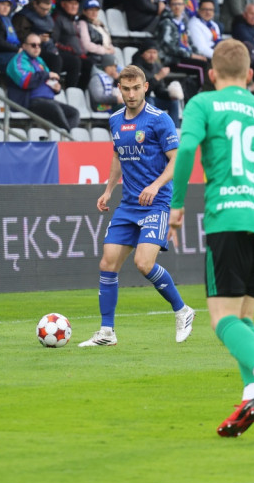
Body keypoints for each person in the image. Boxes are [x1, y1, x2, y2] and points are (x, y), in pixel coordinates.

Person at [168, 39, 254, 437]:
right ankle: (253, 395)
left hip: (228, 218)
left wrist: (176, 205)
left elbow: (186, 151)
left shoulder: (203, 103)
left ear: (212, 75)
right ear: (250, 76)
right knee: (244, 317)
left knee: (222, 319)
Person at [76, 63, 195, 348]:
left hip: (156, 203)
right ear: (119, 89)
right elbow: (118, 157)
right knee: (107, 264)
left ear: (145, 88)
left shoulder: (159, 119)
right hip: (128, 204)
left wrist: (155, 186)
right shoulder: (116, 119)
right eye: (125, 89)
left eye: (135, 88)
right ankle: (107, 332)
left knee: (144, 263)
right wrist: (108, 190)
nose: (131, 94)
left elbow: (176, 160)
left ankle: (183, 310)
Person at [5, 32, 79, 132]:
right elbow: (25, 82)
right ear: (24, 46)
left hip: (48, 100)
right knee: (54, 109)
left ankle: (64, 138)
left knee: (74, 113)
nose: (37, 48)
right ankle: (68, 137)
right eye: (33, 45)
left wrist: (56, 87)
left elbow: (48, 80)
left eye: (39, 45)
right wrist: (46, 75)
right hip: (30, 101)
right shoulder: (18, 60)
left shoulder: (39, 61)